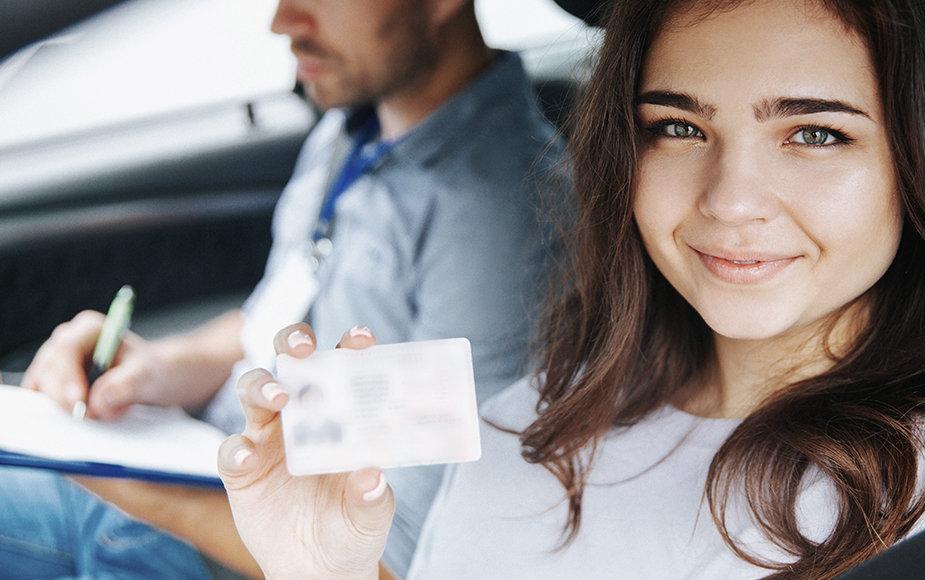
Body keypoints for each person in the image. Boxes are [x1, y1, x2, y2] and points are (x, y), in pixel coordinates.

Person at [217, 0, 925, 578]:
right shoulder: (524, 425)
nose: (731, 202)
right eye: (678, 128)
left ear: (919, 160)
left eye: (815, 133)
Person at [0, 0, 563, 577]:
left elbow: (404, 560)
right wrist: (157, 368)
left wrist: (123, 480)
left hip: (223, 549)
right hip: (195, 474)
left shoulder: (503, 225)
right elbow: (270, 320)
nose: (283, 22)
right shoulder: (354, 128)